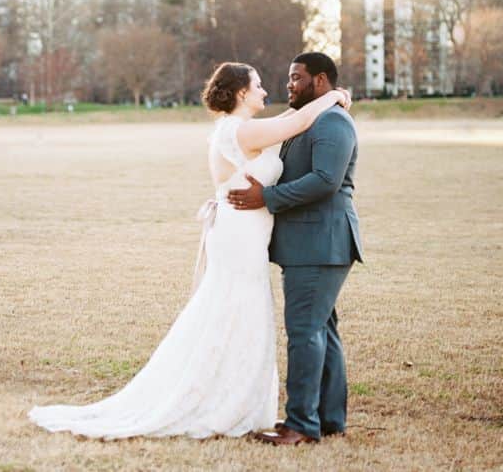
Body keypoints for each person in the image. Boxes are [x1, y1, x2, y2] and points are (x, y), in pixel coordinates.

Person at [28, 61, 350, 440]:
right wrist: (334, 95)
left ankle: (235, 398)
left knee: (236, 312)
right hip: (240, 236)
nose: (267, 91)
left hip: (241, 233)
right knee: (235, 311)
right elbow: (295, 122)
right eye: (259, 85)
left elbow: (288, 121)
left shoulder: (236, 128)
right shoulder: (243, 130)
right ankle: (221, 401)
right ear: (242, 93)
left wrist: (327, 98)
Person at [227, 52, 364, 445]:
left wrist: (266, 198)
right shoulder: (309, 118)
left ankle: (300, 425)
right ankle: (329, 419)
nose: (289, 84)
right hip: (312, 243)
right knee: (322, 331)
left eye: (297, 78)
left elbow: (325, 181)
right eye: (288, 77)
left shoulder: (333, 122)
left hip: (321, 243)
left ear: (320, 81)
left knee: (305, 333)